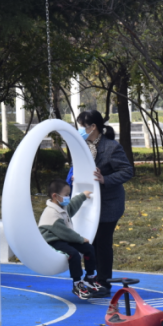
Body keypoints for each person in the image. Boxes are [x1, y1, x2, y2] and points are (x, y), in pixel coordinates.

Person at [76, 110, 134, 294]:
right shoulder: (83, 146)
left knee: (102, 242)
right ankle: (93, 276)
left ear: (93, 127)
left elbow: (127, 171)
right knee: (90, 241)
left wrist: (104, 179)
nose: (79, 129)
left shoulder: (111, 147)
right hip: (89, 202)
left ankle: (104, 282)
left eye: (82, 126)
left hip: (109, 203)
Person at [38, 179, 105, 300]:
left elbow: (72, 205)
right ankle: (77, 284)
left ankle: (90, 277)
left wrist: (83, 195)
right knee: (73, 254)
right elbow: (65, 232)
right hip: (53, 240)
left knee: (89, 248)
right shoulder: (51, 213)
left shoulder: (62, 207)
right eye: (66, 195)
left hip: (63, 238)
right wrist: (80, 239)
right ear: (55, 196)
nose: (68, 197)